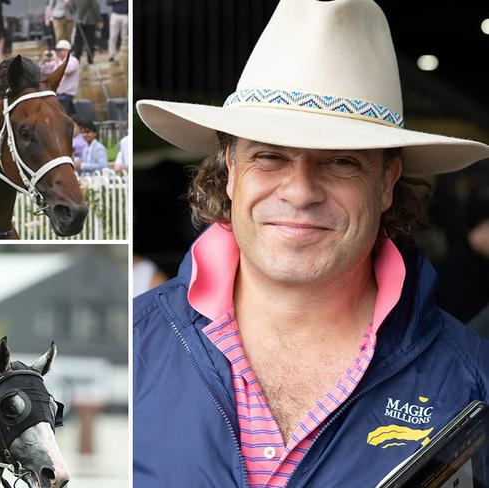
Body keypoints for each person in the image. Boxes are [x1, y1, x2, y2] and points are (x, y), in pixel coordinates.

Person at [133, 0, 489, 486]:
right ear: (231, 171)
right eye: (270, 156)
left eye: (341, 161)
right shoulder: (131, 349)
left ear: (387, 182)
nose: (300, 192)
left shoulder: (474, 384)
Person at [50, 39, 80, 115]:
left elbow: (66, 70)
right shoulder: (57, 61)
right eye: (57, 50)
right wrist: (44, 60)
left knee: (62, 116)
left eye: (60, 50)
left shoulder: (73, 61)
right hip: (57, 94)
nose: (58, 52)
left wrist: (57, 60)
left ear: (67, 50)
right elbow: (43, 70)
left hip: (67, 94)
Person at [72, 0, 100, 65]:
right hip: (90, 20)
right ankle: (90, 60)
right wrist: (98, 19)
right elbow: (95, 7)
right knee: (90, 41)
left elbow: (72, 8)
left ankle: (77, 59)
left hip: (80, 20)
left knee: (78, 42)